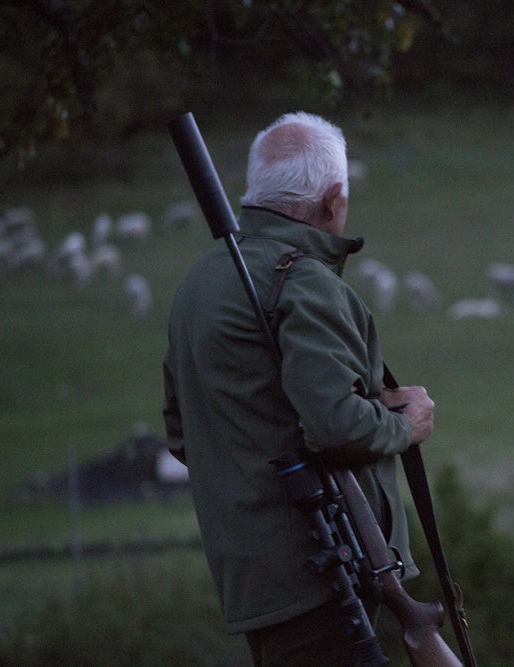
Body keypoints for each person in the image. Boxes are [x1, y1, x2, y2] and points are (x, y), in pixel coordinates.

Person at [162, 111, 435, 666]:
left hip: (255, 580)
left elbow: (183, 431)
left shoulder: (200, 283)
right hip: (326, 571)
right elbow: (336, 427)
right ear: (334, 201)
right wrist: (404, 426)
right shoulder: (305, 281)